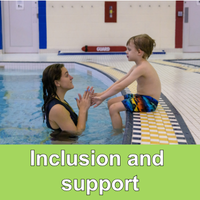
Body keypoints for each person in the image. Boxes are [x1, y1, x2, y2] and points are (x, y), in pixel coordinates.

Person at [92, 34, 161, 130]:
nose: (126, 51)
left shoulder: (142, 67)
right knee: (110, 102)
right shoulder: (137, 66)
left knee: (113, 108)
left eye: (129, 49)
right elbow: (120, 81)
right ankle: (119, 125)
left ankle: (117, 133)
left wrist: (102, 97)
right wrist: (102, 94)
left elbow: (121, 86)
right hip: (140, 97)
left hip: (149, 102)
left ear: (139, 52)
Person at [42, 63, 93, 137]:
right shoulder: (57, 108)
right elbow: (76, 133)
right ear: (57, 83)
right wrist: (82, 110)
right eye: (66, 75)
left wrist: (84, 108)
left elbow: (79, 125)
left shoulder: (61, 101)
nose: (71, 77)